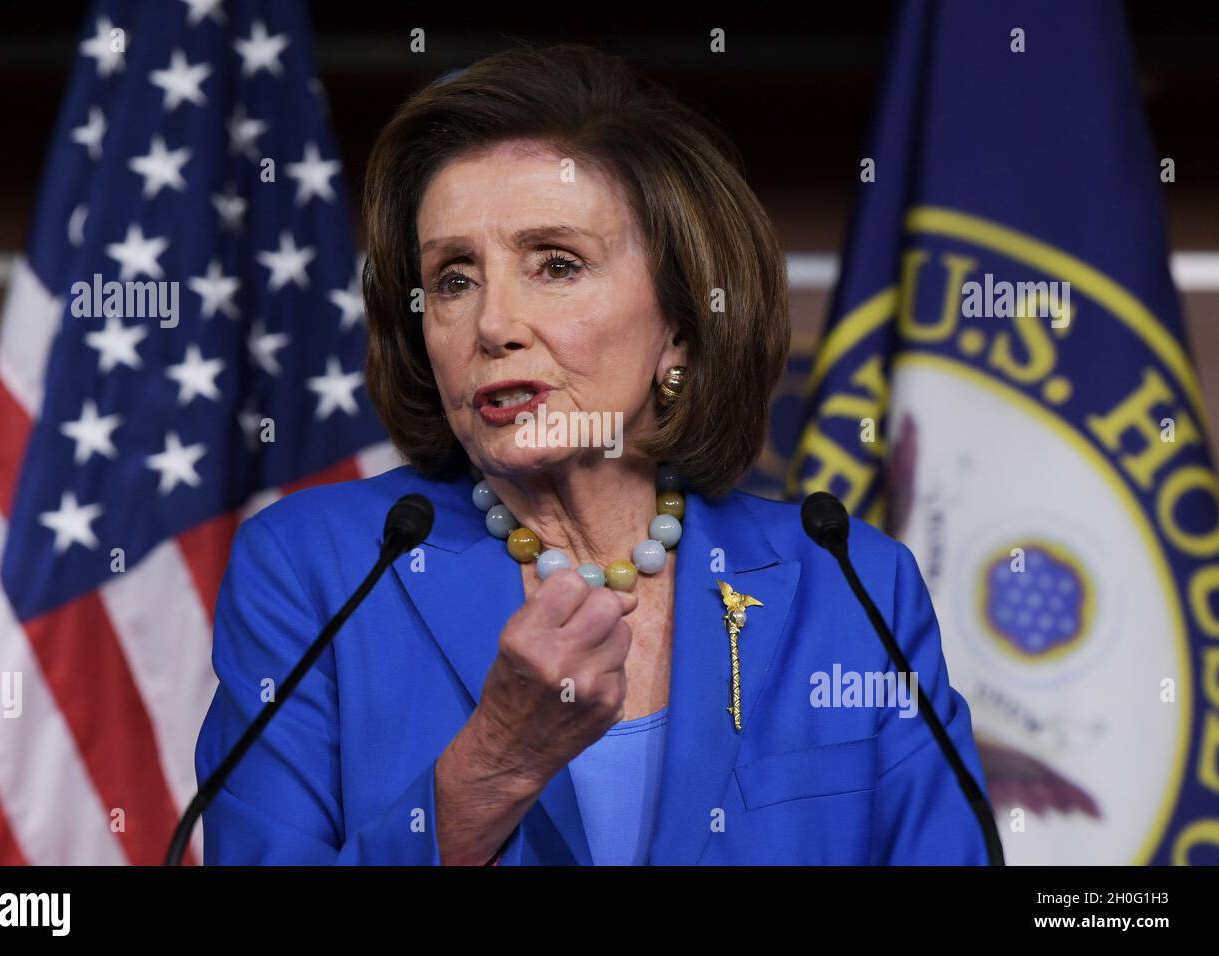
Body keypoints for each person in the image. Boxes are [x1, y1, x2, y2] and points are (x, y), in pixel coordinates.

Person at [195, 43, 992, 865]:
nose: (493, 323)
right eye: (454, 278)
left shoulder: (851, 584)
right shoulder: (317, 571)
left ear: (680, 325)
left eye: (557, 265)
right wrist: (492, 766)